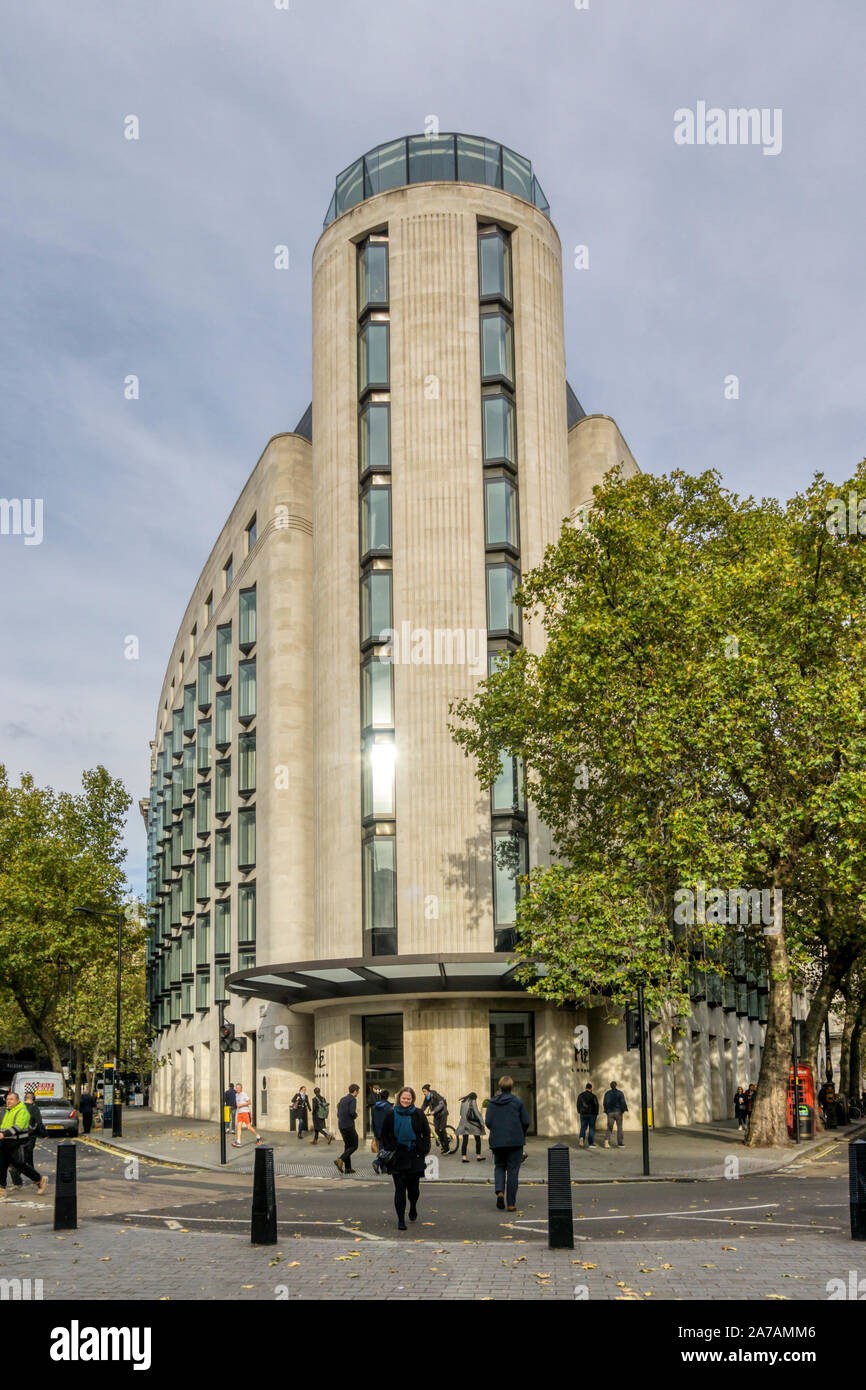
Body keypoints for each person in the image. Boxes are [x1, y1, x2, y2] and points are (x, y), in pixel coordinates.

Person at [380, 1086, 431, 1230]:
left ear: (412, 1099)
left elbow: (426, 1133)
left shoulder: (419, 1113)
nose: (406, 1100)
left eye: (408, 1098)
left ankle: (413, 1206)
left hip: (414, 1155)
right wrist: (389, 1148)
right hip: (397, 1156)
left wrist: (424, 1149)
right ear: (399, 1098)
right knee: (400, 1189)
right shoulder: (391, 1114)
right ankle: (400, 1220)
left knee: (413, 1189)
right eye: (403, 1098)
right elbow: (384, 1134)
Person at [485, 1076, 530, 1212]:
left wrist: (497, 1130)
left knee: (499, 1166)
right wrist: (520, 1132)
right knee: (512, 1171)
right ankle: (511, 1204)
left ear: (500, 1087)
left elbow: (488, 1122)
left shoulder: (492, 1103)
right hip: (515, 1142)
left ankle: (500, 1192)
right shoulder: (517, 1101)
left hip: (497, 1141)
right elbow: (526, 1121)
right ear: (511, 1087)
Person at [0, 1092, 48, 1197]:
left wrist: (3, 1134)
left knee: (20, 1165)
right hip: (6, 1142)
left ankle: (39, 1179)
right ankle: (2, 1188)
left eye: (11, 1099)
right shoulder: (8, 1111)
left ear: (17, 1100)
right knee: (2, 1164)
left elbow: (18, 1127)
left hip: (17, 1143)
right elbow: (4, 1126)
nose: (8, 1101)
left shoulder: (22, 1111)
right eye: (7, 1099)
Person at [335, 1083, 360, 1174]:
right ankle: (340, 1159)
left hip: (341, 1125)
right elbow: (352, 1112)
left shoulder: (342, 1099)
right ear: (355, 1091)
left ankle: (348, 1168)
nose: (358, 1093)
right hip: (349, 1125)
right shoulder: (352, 1099)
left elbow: (338, 1113)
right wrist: (355, 1116)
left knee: (348, 1146)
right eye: (358, 1091)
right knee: (354, 1145)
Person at [456, 1092, 486, 1162]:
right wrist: (482, 1122)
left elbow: (460, 1113)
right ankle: (478, 1156)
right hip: (472, 1123)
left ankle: (464, 1157)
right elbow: (476, 1112)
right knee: (477, 1139)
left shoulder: (463, 1101)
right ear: (474, 1097)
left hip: (464, 1123)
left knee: (465, 1140)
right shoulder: (473, 1101)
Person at [421, 1083, 451, 1154]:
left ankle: (447, 1147)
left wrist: (434, 1111)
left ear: (428, 1091)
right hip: (436, 1115)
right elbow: (424, 1106)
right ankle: (443, 1144)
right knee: (437, 1130)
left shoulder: (435, 1095)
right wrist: (419, 1112)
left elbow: (441, 1104)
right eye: (423, 1092)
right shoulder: (427, 1098)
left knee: (442, 1129)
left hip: (443, 1113)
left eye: (424, 1091)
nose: (424, 1093)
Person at [231, 1082, 263, 1147]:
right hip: (239, 1113)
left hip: (245, 1113)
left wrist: (241, 1105)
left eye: (238, 1088)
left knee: (249, 1127)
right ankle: (238, 1141)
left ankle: (258, 1137)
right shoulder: (236, 1095)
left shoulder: (244, 1094)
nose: (237, 1089)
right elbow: (238, 1104)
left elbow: (249, 1102)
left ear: (241, 1088)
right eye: (236, 1088)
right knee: (238, 1127)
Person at [602, 1081, 628, 1148]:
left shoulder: (607, 1093)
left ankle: (606, 1141)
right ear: (616, 1086)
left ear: (610, 1086)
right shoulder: (620, 1093)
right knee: (619, 1128)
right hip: (618, 1112)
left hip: (610, 1112)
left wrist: (606, 1111)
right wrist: (623, 1110)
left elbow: (605, 1103)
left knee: (609, 1127)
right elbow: (623, 1102)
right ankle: (620, 1143)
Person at [576, 1082, 599, 1148]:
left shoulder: (580, 1095)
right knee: (591, 1128)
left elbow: (578, 1104)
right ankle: (591, 1143)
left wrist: (579, 1111)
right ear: (591, 1089)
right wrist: (596, 1113)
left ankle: (581, 1138)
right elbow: (596, 1105)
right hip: (592, 1114)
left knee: (583, 1127)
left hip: (583, 1114)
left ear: (585, 1088)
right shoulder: (594, 1096)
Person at [371, 1089, 394, 1153]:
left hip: (378, 1131)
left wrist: (375, 1132)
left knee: (381, 1150)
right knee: (388, 1151)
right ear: (387, 1096)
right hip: (388, 1132)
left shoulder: (374, 1107)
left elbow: (373, 1121)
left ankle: (380, 1161)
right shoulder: (390, 1107)